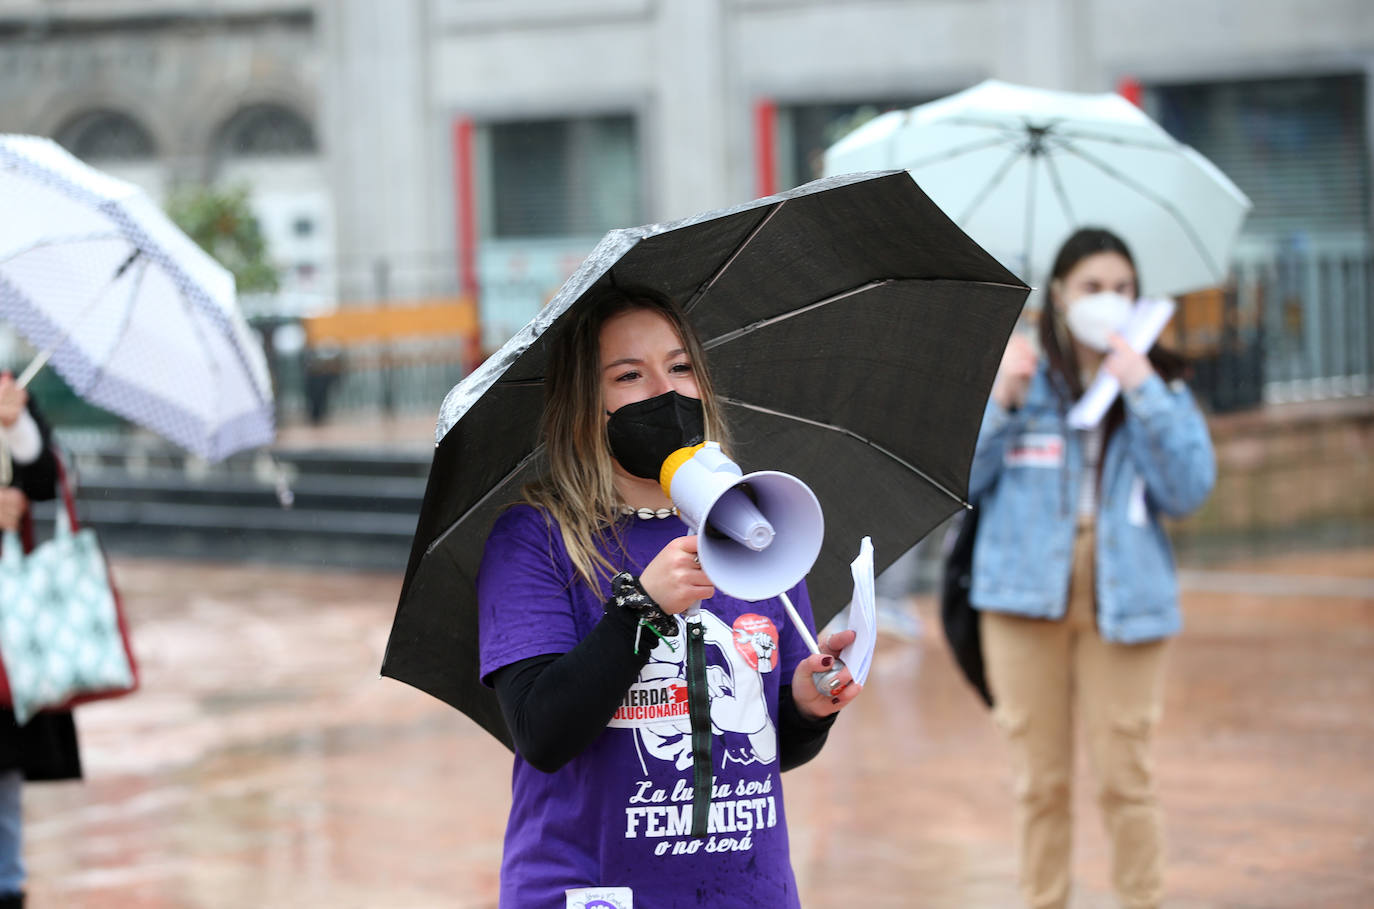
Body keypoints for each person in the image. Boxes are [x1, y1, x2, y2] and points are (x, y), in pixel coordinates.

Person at [477, 285, 861, 908]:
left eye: (681, 367)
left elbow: (769, 751)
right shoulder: (536, 539)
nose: (665, 391)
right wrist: (643, 608)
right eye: (629, 375)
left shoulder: (760, 525)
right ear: (584, 406)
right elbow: (542, 733)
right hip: (592, 890)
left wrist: (810, 705)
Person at [969, 228, 1215, 909]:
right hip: (1020, 596)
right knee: (1038, 783)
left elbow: (1188, 488)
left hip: (1127, 597)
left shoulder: (1156, 381)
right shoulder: (1019, 373)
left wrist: (1143, 389)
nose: (1108, 300)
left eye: (1122, 288)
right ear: (1059, 296)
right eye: (1092, 287)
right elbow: (961, 486)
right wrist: (1002, 404)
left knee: (1125, 778)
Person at [0, 371, 78, 909]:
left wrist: (16, 423)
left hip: (6, 617)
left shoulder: (9, 391)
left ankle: (8, 887)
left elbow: (45, 480)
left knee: (2, 764)